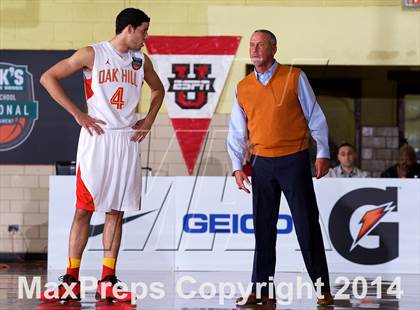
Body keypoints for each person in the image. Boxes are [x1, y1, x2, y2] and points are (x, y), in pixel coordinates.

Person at [39, 8, 164, 302]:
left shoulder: (140, 60)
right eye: (144, 31)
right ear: (129, 29)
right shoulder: (92, 53)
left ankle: (108, 279)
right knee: (84, 209)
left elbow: (158, 90)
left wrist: (148, 120)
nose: (147, 37)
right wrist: (77, 114)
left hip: (127, 140)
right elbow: (48, 78)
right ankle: (71, 278)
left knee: (116, 211)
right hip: (98, 138)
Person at [227, 29, 334, 306]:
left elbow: (316, 117)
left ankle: (323, 289)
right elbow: (237, 132)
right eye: (252, 44)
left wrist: (322, 151)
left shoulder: (295, 77)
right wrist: (237, 166)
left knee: (307, 226)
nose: (254, 49)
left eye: (260, 44)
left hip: (294, 160)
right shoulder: (243, 86)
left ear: (273, 49)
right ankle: (261, 290)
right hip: (260, 163)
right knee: (263, 229)